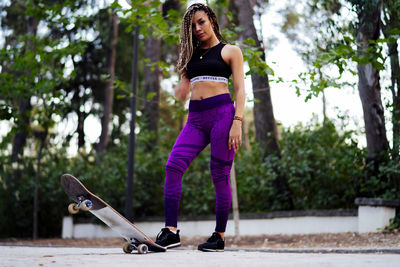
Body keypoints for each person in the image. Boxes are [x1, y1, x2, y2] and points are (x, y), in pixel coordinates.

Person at [155, 3, 245, 252]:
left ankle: (219, 236)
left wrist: (237, 121)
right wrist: (181, 81)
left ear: (212, 20)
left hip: (223, 116)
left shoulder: (231, 51)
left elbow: (240, 90)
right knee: (173, 166)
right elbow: (181, 95)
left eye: (201, 22)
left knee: (219, 174)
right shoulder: (191, 56)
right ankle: (171, 232)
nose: (197, 28)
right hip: (195, 118)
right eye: (192, 25)